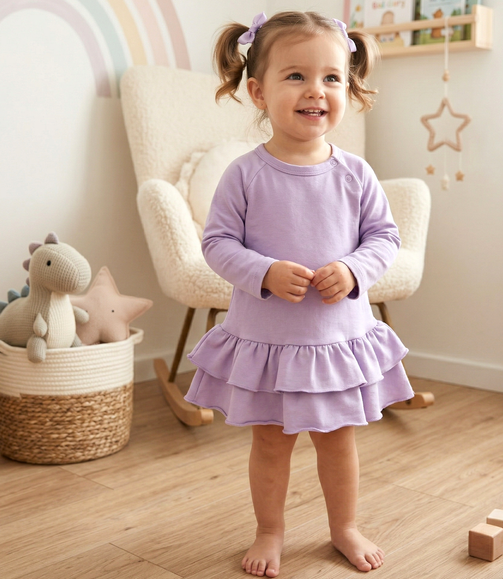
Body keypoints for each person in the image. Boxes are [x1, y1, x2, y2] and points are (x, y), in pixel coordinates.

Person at [185, 11, 414, 577]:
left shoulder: (356, 174)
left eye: (331, 77)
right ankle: (269, 531)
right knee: (270, 446)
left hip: (335, 342)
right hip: (269, 343)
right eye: (296, 76)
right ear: (259, 92)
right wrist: (262, 272)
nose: (316, 90)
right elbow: (216, 243)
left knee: (338, 444)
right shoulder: (244, 174)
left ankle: (344, 527)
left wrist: (354, 269)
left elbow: (384, 237)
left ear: (348, 89)